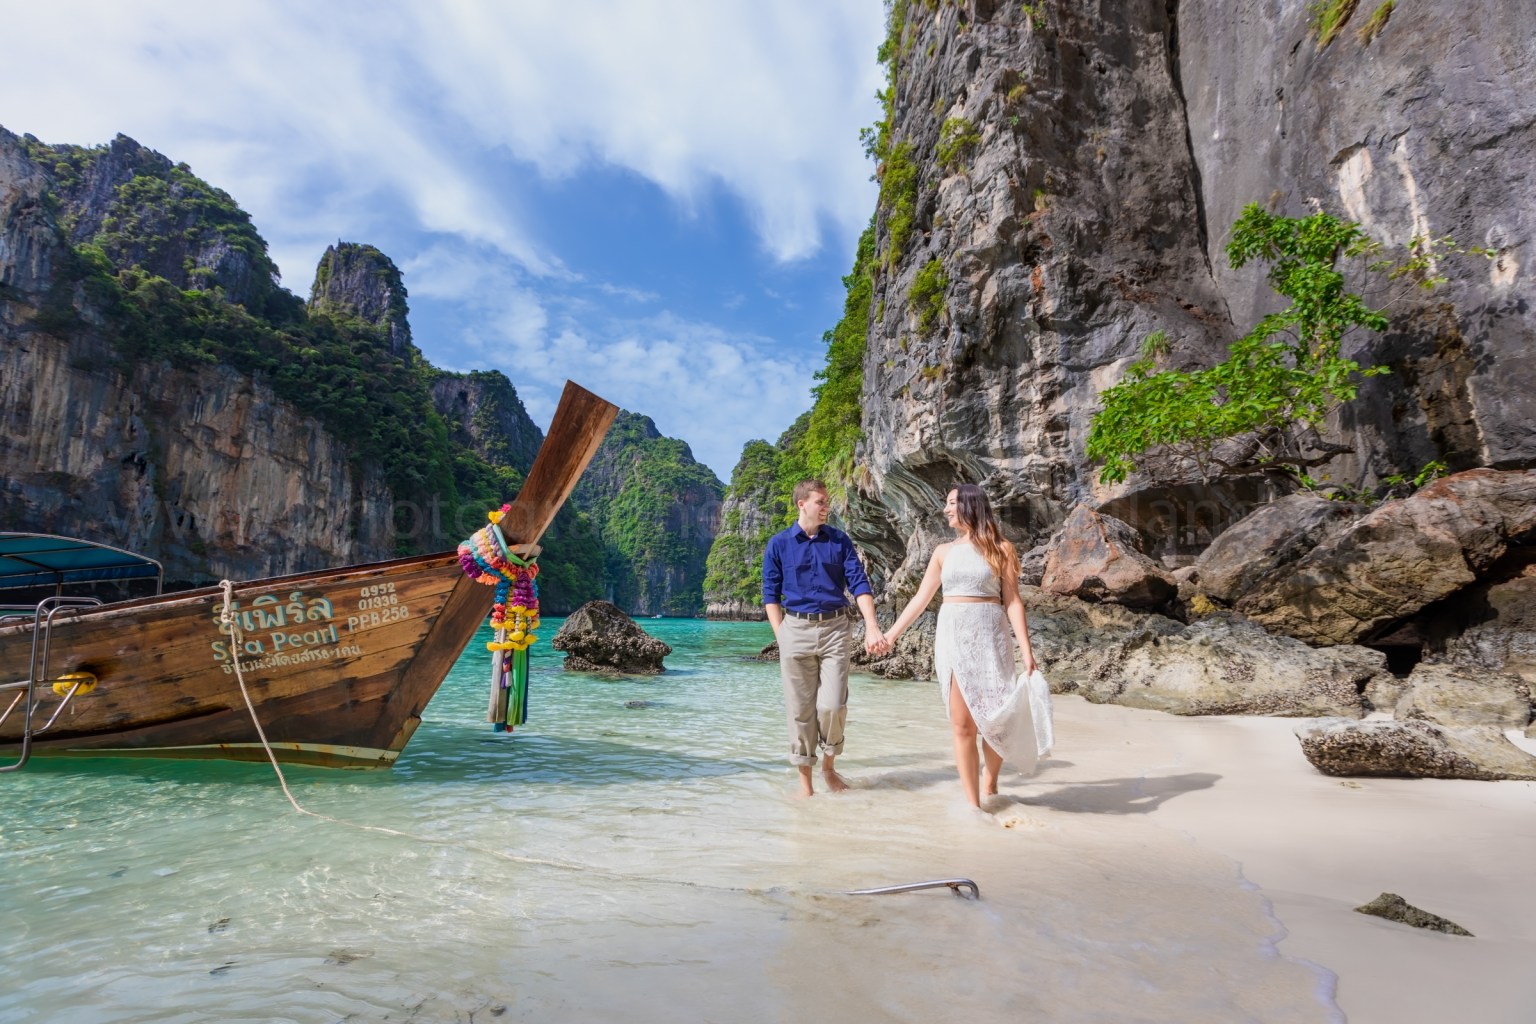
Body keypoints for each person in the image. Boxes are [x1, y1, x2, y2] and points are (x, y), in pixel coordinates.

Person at [883, 483, 1039, 809]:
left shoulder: (1002, 549)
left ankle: (991, 782)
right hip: (953, 636)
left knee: (997, 720)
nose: (946, 509)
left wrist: (1026, 650)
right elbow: (920, 600)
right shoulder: (943, 552)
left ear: (970, 505)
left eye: (952, 503)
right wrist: (891, 635)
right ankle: (973, 805)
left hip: (991, 637)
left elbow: (1012, 602)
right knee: (962, 724)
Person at [763, 479, 889, 797]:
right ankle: (805, 786)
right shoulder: (778, 545)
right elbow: (770, 595)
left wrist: (872, 626)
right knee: (800, 710)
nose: (826, 507)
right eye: (820, 501)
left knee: (832, 706)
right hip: (795, 629)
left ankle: (829, 767)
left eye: (826, 502)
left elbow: (859, 583)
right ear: (801, 504)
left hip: (836, 629)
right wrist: (782, 637)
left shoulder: (839, 541)